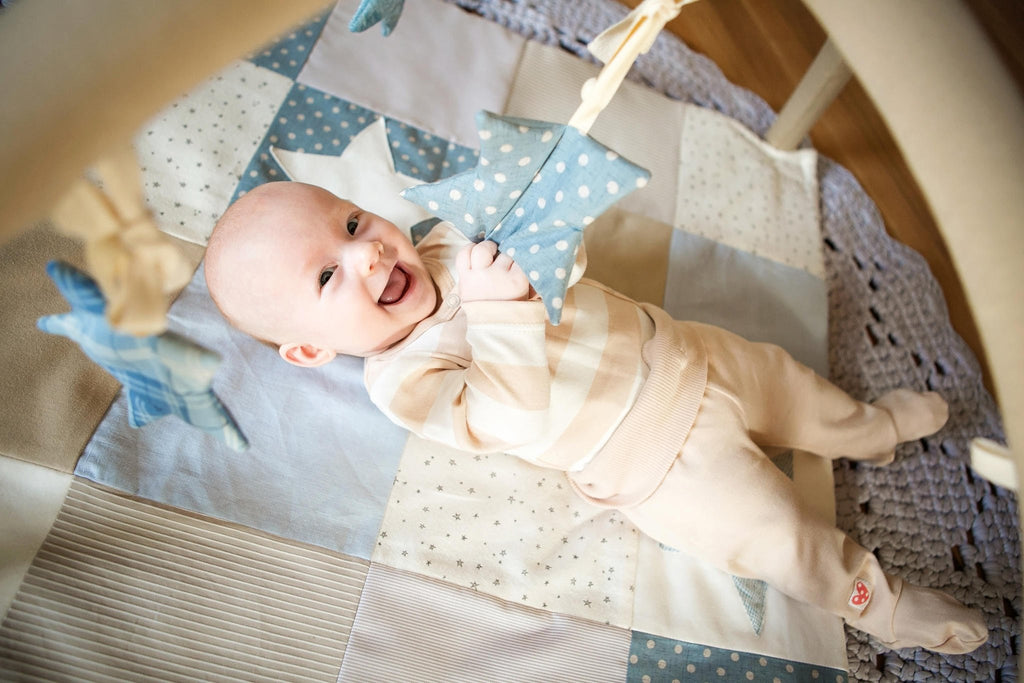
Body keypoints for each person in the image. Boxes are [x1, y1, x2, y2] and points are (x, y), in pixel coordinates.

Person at [204, 180, 988, 654]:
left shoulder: (446, 242)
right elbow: (504, 417)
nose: (370, 255)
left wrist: (538, 242)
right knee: (781, 536)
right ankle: (880, 605)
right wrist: (501, 308)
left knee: (799, 391)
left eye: (350, 223)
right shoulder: (402, 378)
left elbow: (568, 265)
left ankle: (871, 430)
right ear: (309, 350)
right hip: (661, 461)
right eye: (328, 274)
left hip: (690, 351)